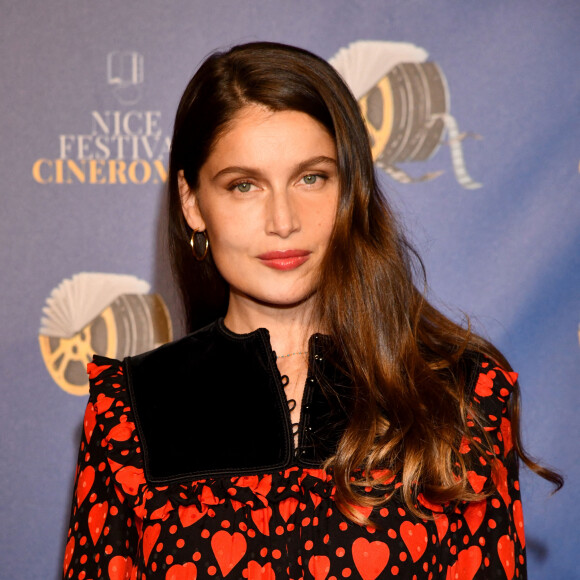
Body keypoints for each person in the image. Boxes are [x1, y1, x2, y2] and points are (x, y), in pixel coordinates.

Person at [62, 42, 561, 580]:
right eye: (244, 185)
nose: (283, 220)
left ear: (352, 190)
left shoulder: (460, 392)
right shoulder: (130, 410)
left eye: (311, 178)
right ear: (192, 202)